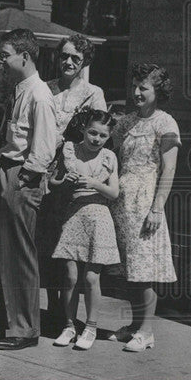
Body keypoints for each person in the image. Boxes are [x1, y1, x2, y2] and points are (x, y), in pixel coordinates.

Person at [0, 28, 57, 350]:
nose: (0, 62)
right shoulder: (19, 89)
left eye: (5, 56)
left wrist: (23, 182)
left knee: (20, 254)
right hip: (6, 169)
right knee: (0, 253)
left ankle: (25, 329)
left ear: (25, 56)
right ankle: (3, 321)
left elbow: (44, 147)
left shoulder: (40, 95)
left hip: (22, 175)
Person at [109, 63, 181, 352]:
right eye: (135, 86)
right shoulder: (125, 123)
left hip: (146, 204)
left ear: (157, 91)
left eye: (144, 87)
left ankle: (147, 331)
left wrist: (157, 208)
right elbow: (110, 155)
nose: (136, 92)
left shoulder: (166, 123)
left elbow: (170, 168)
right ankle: (135, 325)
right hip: (122, 202)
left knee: (145, 270)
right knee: (129, 270)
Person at [40, 34, 108, 332]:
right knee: (47, 242)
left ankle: (71, 316)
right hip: (47, 172)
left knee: (72, 250)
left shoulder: (93, 93)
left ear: (85, 63)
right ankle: (53, 308)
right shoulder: (46, 89)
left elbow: (101, 137)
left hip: (76, 176)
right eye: (65, 56)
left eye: (75, 59)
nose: (68, 62)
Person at [49, 111, 121, 351]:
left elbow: (114, 193)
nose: (96, 139)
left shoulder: (109, 157)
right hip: (73, 216)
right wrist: (64, 181)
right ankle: (69, 325)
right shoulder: (69, 150)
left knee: (91, 277)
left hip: (99, 218)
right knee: (70, 277)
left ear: (108, 137)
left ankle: (90, 326)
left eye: (103, 135)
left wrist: (95, 184)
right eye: (92, 132)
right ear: (83, 130)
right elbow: (52, 183)